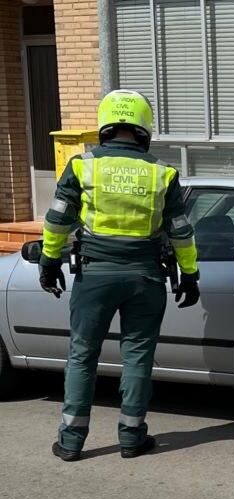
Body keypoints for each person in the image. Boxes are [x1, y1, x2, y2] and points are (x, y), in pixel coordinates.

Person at [39, 89, 200, 462]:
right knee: (138, 356)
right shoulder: (162, 173)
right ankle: (131, 436)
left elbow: (58, 219)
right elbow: (180, 230)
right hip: (146, 277)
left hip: (95, 275)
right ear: (144, 128)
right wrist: (189, 275)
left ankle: (71, 440)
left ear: (105, 126)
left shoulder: (82, 166)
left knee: (82, 355)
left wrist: (49, 262)